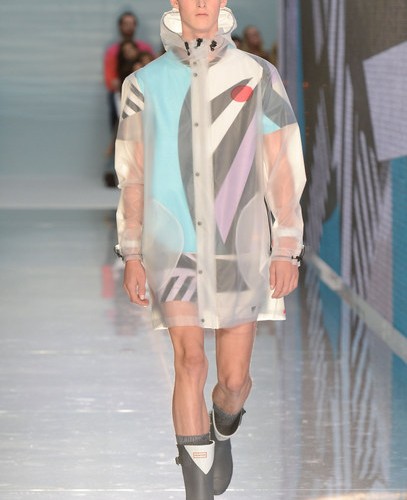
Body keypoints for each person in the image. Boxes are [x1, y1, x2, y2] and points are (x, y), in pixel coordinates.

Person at [114, 1, 306, 499]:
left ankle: (221, 429)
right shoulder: (143, 84)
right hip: (172, 244)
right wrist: (131, 252)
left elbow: (283, 161)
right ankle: (196, 491)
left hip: (238, 245)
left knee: (234, 381)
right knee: (190, 361)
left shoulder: (258, 75)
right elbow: (132, 176)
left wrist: (287, 245)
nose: (201, 2)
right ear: (174, 1)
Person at [104, 11, 155, 130]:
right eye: (126, 24)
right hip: (121, 91)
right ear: (120, 26)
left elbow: (154, 69)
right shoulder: (113, 51)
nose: (129, 27)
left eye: (132, 24)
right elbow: (110, 78)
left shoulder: (145, 48)